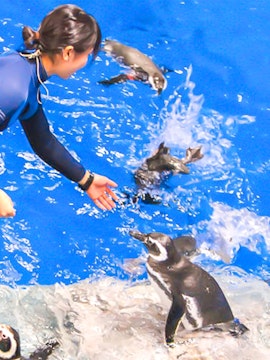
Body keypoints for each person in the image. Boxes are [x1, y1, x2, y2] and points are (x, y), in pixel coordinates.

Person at [0, 4, 118, 211]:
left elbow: (44, 142)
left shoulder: (27, 71)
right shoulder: (14, 91)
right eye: (87, 55)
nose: (84, 64)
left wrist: (86, 180)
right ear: (68, 53)